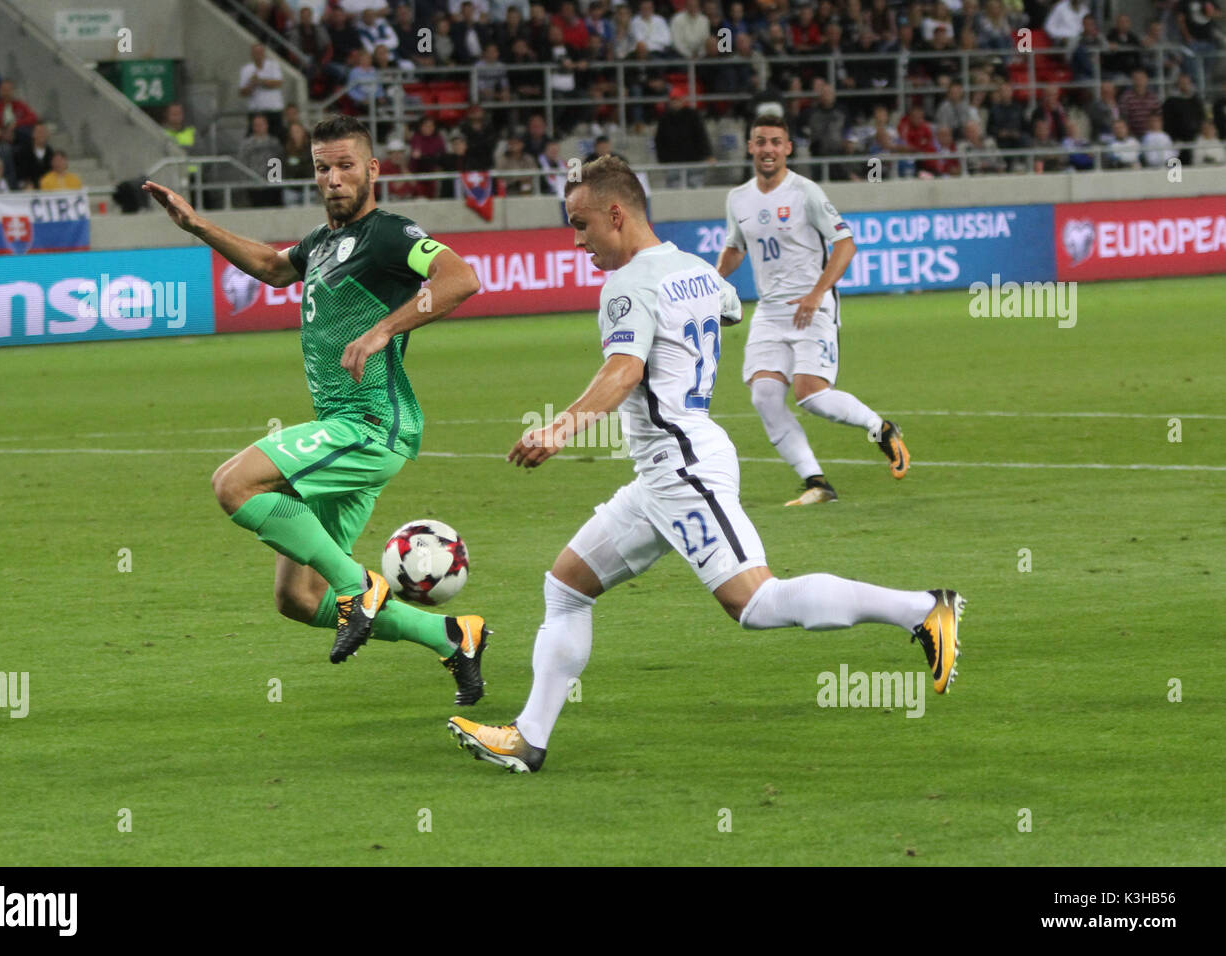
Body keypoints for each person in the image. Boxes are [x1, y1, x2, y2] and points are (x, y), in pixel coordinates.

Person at [447, 156, 964, 773]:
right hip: (664, 471)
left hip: (682, 466)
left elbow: (625, 369)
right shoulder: (692, 267)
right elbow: (728, 310)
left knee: (754, 603)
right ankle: (529, 738)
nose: (576, 240)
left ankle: (923, 609)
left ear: (617, 214)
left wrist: (560, 427)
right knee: (565, 587)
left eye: (582, 225)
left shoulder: (627, 284)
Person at [140, 116, 490, 706]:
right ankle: (453, 636)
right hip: (343, 431)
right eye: (322, 168)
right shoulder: (323, 243)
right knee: (298, 599)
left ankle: (359, 586)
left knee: (233, 484)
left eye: (345, 165)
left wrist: (385, 329)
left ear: (372, 170)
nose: (333, 178)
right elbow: (275, 268)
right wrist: (197, 224)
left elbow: (461, 278)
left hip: (371, 425)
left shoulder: (388, 234)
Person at [716, 115, 908, 507]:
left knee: (811, 395)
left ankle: (881, 428)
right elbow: (736, 246)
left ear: (788, 148)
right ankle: (816, 482)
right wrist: (712, 280)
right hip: (769, 313)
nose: (767, 148)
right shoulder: (738, 198)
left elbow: (846, 244)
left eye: (775, 142)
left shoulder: (805, 192)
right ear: (750, 148)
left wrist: (817, 293)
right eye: (760, 142)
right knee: (765, 395)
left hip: (811, 309)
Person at [239, 43, 286, 137]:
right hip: (256, 110)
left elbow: (278, 83)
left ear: (264, 53)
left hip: (273, 109)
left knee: (277, 137)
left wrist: (260, 81)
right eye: (255, 52)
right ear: (252, 54)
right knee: (253, 137)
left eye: (260, 52)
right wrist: (252, 84)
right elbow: (242, 92)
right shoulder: (246, 69)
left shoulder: (273, 66)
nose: (258, 54)